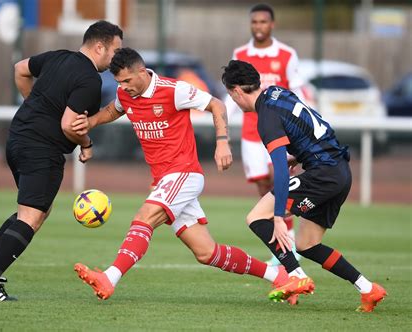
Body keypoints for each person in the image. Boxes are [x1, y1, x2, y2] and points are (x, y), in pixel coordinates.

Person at [71, 47, 297, 303]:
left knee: (144, 218)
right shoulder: (126, 94)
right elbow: (115, 109)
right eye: (119, 82)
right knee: (206, 252)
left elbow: (216, 103)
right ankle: (278, 274)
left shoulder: (173, 90)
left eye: (127, 80)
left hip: (183, 173)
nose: (123, 87)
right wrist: (91, 122)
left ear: (142, 72)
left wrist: (222, 141)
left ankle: (109, 277)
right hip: (164, 179)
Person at [0, 20, 123, 301]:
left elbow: (20, 69)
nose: (116, 59)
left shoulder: (58, 56)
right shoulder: (89, 80)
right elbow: (68, 125)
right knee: (31, 216)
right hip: (42, 149)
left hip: (17, 138)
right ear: (99, 47)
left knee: (36, 210)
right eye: (115, 51)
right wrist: (86, 145)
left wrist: (32, 105)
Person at [221, 59, 387, 312]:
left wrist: (278, 217)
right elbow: (315, 127)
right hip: (340, 171)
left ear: (236, 91)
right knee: (307, 244)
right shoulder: (278, 92)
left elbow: (278, 169)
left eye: (231, 96)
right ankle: (368, 289)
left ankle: (295, 274)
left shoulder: (265, 118)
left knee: (256, 217)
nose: (233, 101)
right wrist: (297, 157)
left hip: (323, 174)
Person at [225, 3, 306, 265]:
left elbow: (297, 90)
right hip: (251, 133)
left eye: (263, 22)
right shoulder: (241, 53)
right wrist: (222, 124)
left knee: (279, 180)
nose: (258, 26)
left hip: (280, 131)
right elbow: (233, 92)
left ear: (272, 24)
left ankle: (289, 244)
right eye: (254, 22)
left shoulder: (286, 54)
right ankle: (280, 242)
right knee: (263, 187)